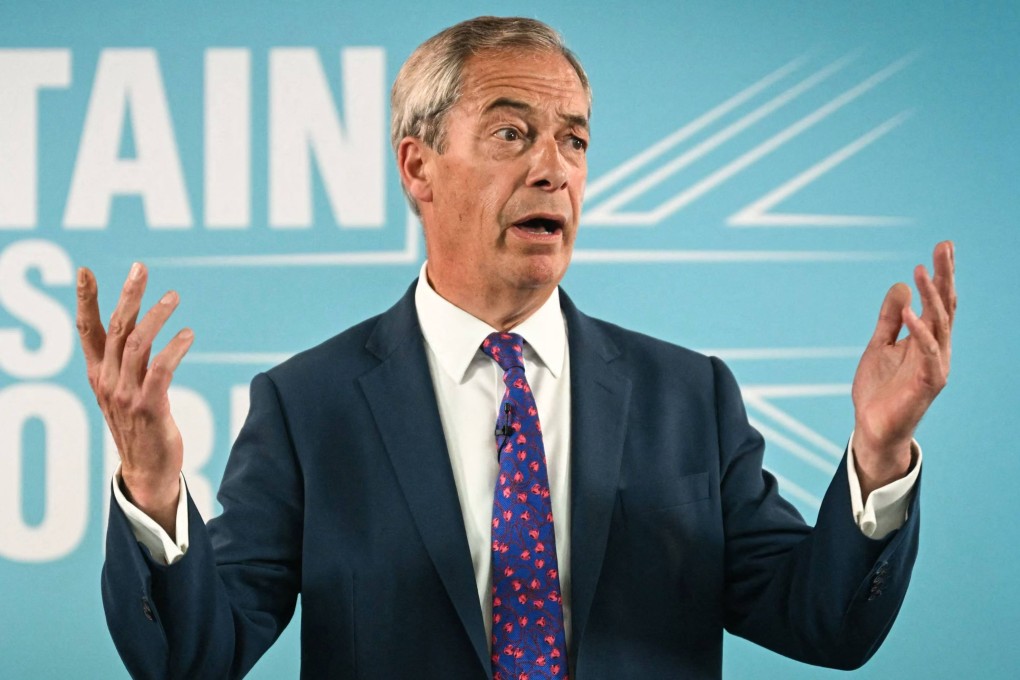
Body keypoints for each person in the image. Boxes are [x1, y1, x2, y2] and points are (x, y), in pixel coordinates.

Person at [77, 16, 955, 680]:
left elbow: (826, 625)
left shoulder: (688, 397)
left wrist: (878, 457)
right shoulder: (311, 407)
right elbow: (193, 657)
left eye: (573, 138)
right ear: (417, 168)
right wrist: (152, 489)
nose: (555, 168)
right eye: (511, 132)